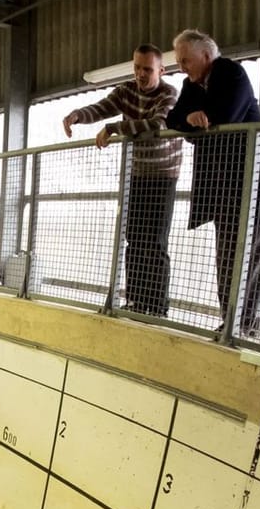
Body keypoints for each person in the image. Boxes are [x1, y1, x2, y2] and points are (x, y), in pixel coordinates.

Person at [166, 29, 260, 335]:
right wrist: (191, 119)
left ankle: (244, 327)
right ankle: (234, 322)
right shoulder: (191, 84)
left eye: (185, 60)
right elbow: (173, 119)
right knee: (228, 260)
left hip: (257, 189)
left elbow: (225, 117)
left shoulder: (231, 73)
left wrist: (196, 120)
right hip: (226, 190)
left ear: (206, 56)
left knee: (248, 259)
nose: (182, 67)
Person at [62, 44, 181, 317]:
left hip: (163, 175)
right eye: (137, 67)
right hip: (136, 173)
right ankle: (136, 300)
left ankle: (157, 307)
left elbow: (157, 125)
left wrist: (116, 128)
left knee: (155, 240)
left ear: (161, 71)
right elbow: (103, 107)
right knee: (134, 237)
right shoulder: (126, 91)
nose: (140, 74)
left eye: (147, 70)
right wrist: (78, 115)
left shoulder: (169, 94)